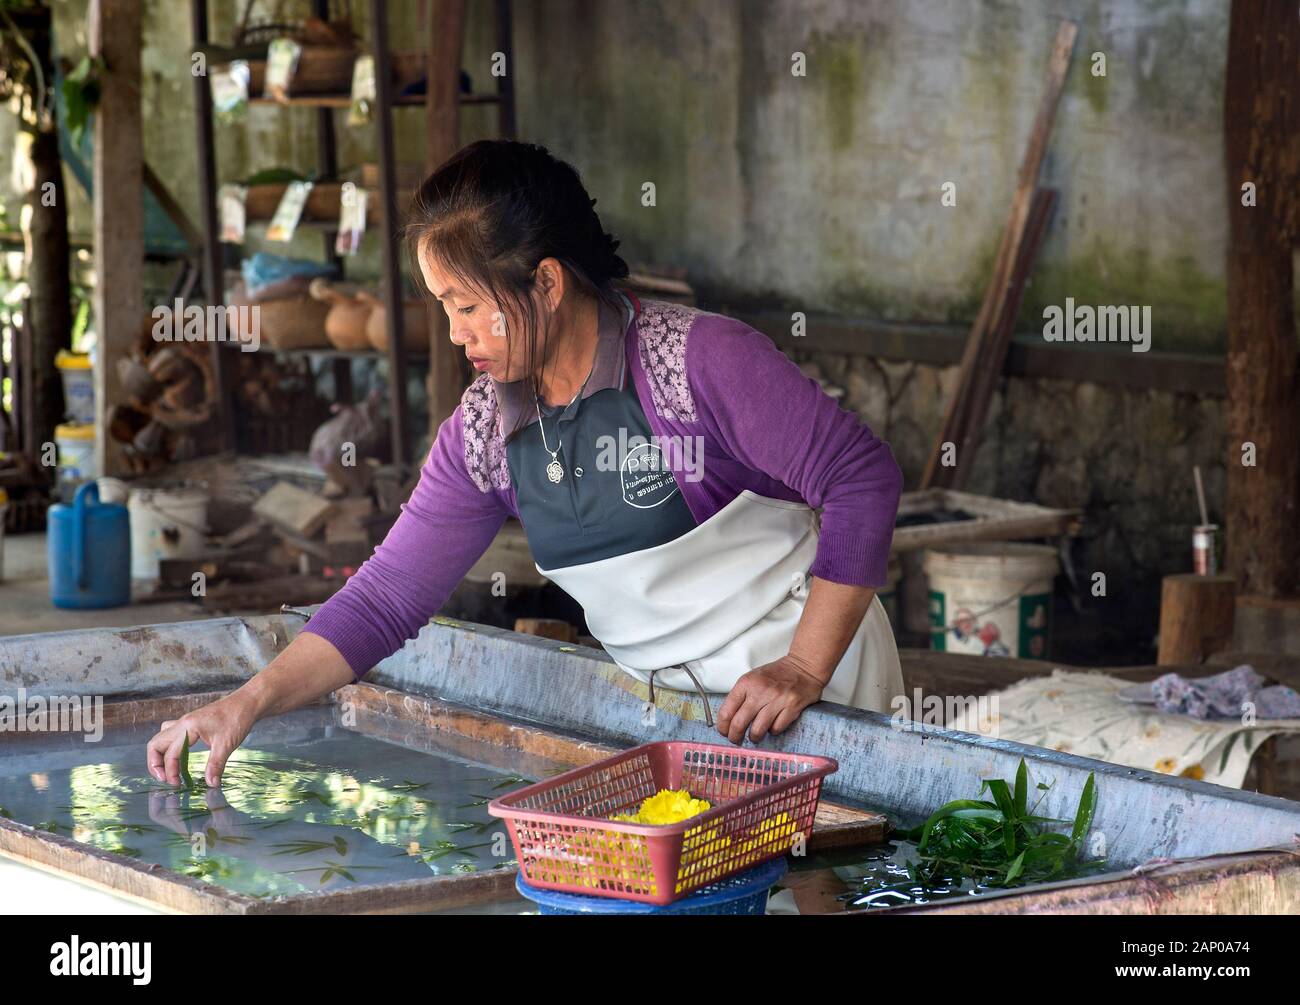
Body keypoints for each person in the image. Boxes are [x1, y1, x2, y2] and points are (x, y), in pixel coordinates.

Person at [147, 140, 905, 788]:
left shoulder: (700, 362)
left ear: (545, 282)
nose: (455, 334)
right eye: (442, 306)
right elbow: (385, 599)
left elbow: (861, 478)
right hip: (676, 715)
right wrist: (247, 699)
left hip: (809, 693)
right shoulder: (484, 434)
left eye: (469, 305)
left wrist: (803, 667)